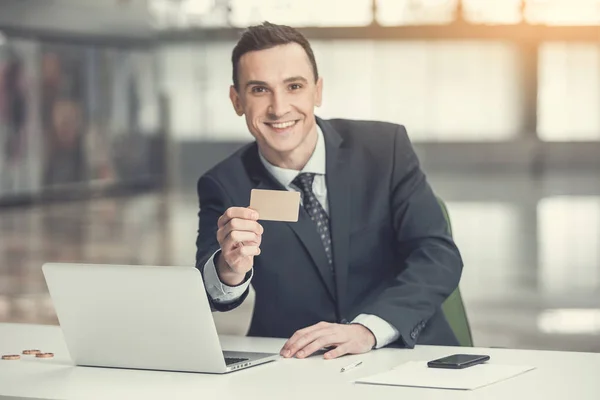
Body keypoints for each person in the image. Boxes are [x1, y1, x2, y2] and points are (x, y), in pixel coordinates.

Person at [195, 22, 463, 360]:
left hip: (404, 351)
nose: (279, 108)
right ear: (236, 100)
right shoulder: (225, 183)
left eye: (294, 86)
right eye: (260, 90)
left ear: (317, 91)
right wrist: (230, 268)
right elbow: (208, 291)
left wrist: (369, 329)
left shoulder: (384, 150)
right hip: (295, 360)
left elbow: (437, 256)